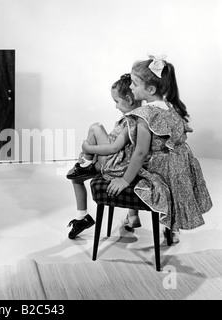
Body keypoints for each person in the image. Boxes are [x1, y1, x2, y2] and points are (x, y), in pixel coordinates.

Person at [106, 55, 213, 242]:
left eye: (134, 84)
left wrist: (124, 180)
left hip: (160, 167)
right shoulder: (170, 106)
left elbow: (140, 152)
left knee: (121, 164)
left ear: (150, 89)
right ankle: (170, 228)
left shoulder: (145, 114)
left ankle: (133, 216)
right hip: (179, 165)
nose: (130, 87)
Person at [66, 74, 141, 239]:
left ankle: (85, 163)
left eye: (116, 101)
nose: (115, 107)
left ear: (129, 99)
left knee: (95, 127)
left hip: (114, 164)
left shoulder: (133, 120)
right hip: (125, 164)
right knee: (76, 177)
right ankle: (132, 215)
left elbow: (114, 147)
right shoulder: (140, 117)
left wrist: (89, 148)